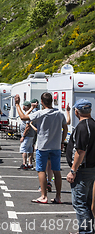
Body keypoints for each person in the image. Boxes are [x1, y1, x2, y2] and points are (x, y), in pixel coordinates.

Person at [15, 92, 70, 204]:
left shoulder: (40, 113)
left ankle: (43, 196)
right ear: (52, 101)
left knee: (41, 170)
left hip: (42, 146)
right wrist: (62, 141)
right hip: (56, 146)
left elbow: (23, 117)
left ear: (42, 102)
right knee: (56, 171)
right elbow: (65, 127)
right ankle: (58, 197)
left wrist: (17, 104)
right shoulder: (59, 114)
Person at [66, 99, 95, 233]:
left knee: (80, 203)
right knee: (87, 203)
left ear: (77, 112)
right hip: (90, 169)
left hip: (83, 170)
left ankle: (86, 231)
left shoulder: (83, 127)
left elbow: (80, 151)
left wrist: (73, 170)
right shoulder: (92, 124)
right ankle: (88, 230)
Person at [18, 101, 35, 170]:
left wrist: (23, 136)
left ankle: (24, 163)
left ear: (25, 107)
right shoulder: (31, 113)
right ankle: (30, 164)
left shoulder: (28, 114)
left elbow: (27, 126)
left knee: (23, 149)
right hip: (31, 135)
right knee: (30, 149)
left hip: (27, 135)